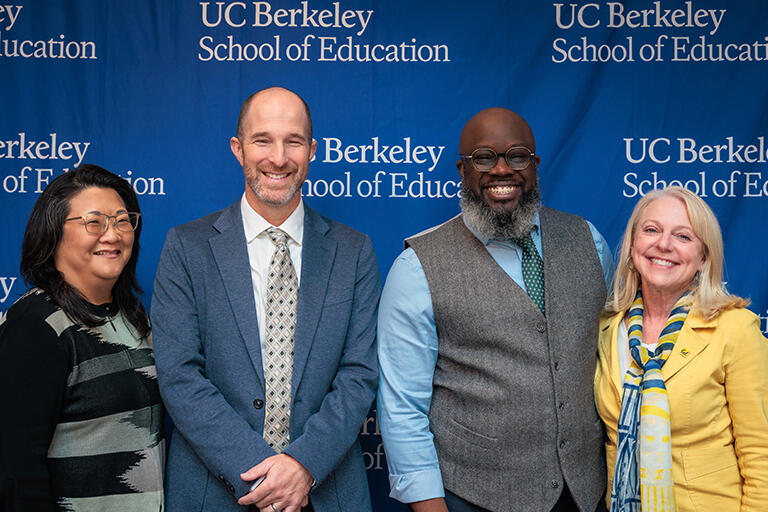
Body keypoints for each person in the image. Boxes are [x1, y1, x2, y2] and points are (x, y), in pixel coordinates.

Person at [151, 86, 379, 512]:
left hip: (325, 490)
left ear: (312, 150)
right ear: (238, 149)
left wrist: (302, 465)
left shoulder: (354, 251)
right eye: (262, 140)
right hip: (215, 491)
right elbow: (180, 375)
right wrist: (266, 471)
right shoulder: (187, 247)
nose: (278, 157)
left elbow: (359, 375)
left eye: (293, 141)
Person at [377, 107, 613, 512]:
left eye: (517, 156)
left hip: (585, 494)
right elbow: (402, 407)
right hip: (472, 496)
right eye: (484, 158)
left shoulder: (588, 242)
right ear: (462, 169)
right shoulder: (417, 267)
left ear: (535, 166)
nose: (502, 171)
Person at [0, 164, 164, 511]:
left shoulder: (133, 317)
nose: (113, 234)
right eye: (94, 222)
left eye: (123, 220)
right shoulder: (37, 325)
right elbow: (14, 469)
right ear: (53, 231)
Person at [594, 186, 768, 512]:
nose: (664, 244)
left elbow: (762, 453)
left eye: (683, 237)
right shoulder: (607, 326)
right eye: (651, 230)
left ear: (704, 257)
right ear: (632, 246)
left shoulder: (735, 328)